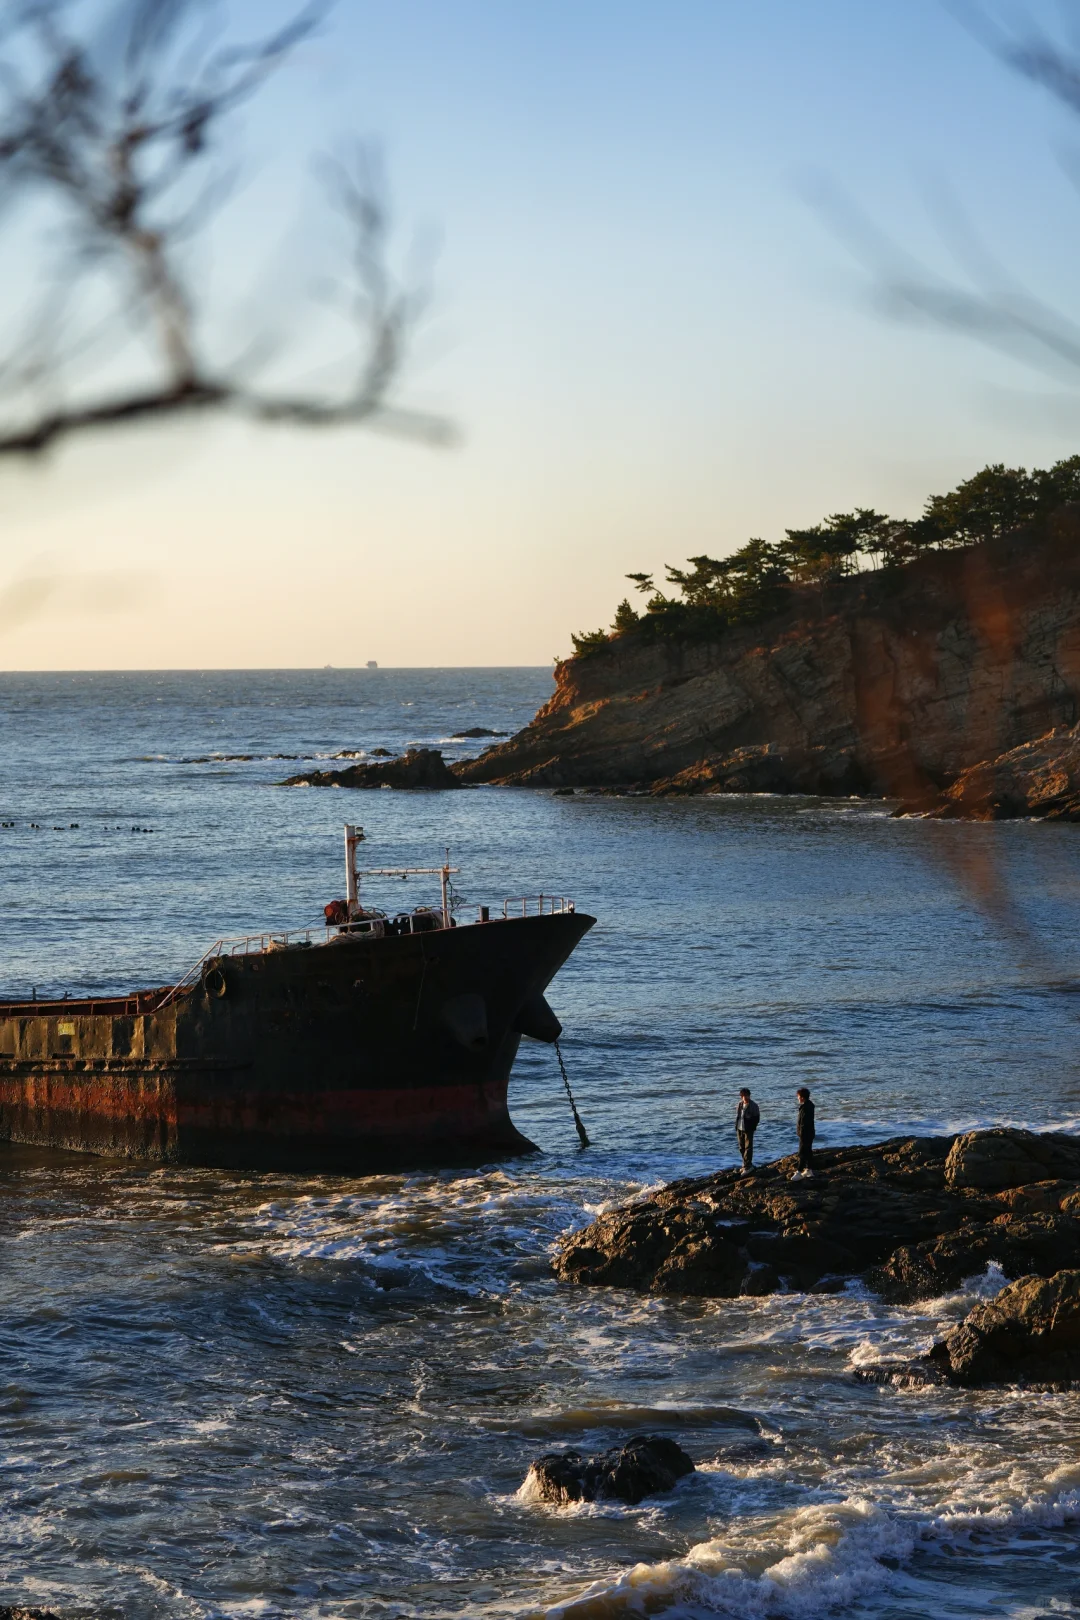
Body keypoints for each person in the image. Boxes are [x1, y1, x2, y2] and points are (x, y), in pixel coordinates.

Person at [735, 1087, 760, 1173]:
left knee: (748, 1147)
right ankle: (746, 1163)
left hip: (748, 1129)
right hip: (739, 1128)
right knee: (741, 1147)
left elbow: (757, 1118)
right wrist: (736, 1127)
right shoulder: (740, 1104)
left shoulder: (754, 1106)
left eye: (746, 1095)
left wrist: (752, 1127)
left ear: (749, 1096)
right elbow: (738, 1116)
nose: (744, 1097)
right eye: (743, 1096)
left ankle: (748, 1166)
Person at [794, 1087, 815, 1179]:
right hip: (809, 1132)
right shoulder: (809, 1105)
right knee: (808, 1151)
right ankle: (809, 1170)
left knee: (802, 1152)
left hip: (805, 1133)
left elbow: (804, 1123)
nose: (798, 1098)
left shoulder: (805, 1107)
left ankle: (799, 1172)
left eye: (798, 1096)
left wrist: (801, 1133)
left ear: (802, 1097)